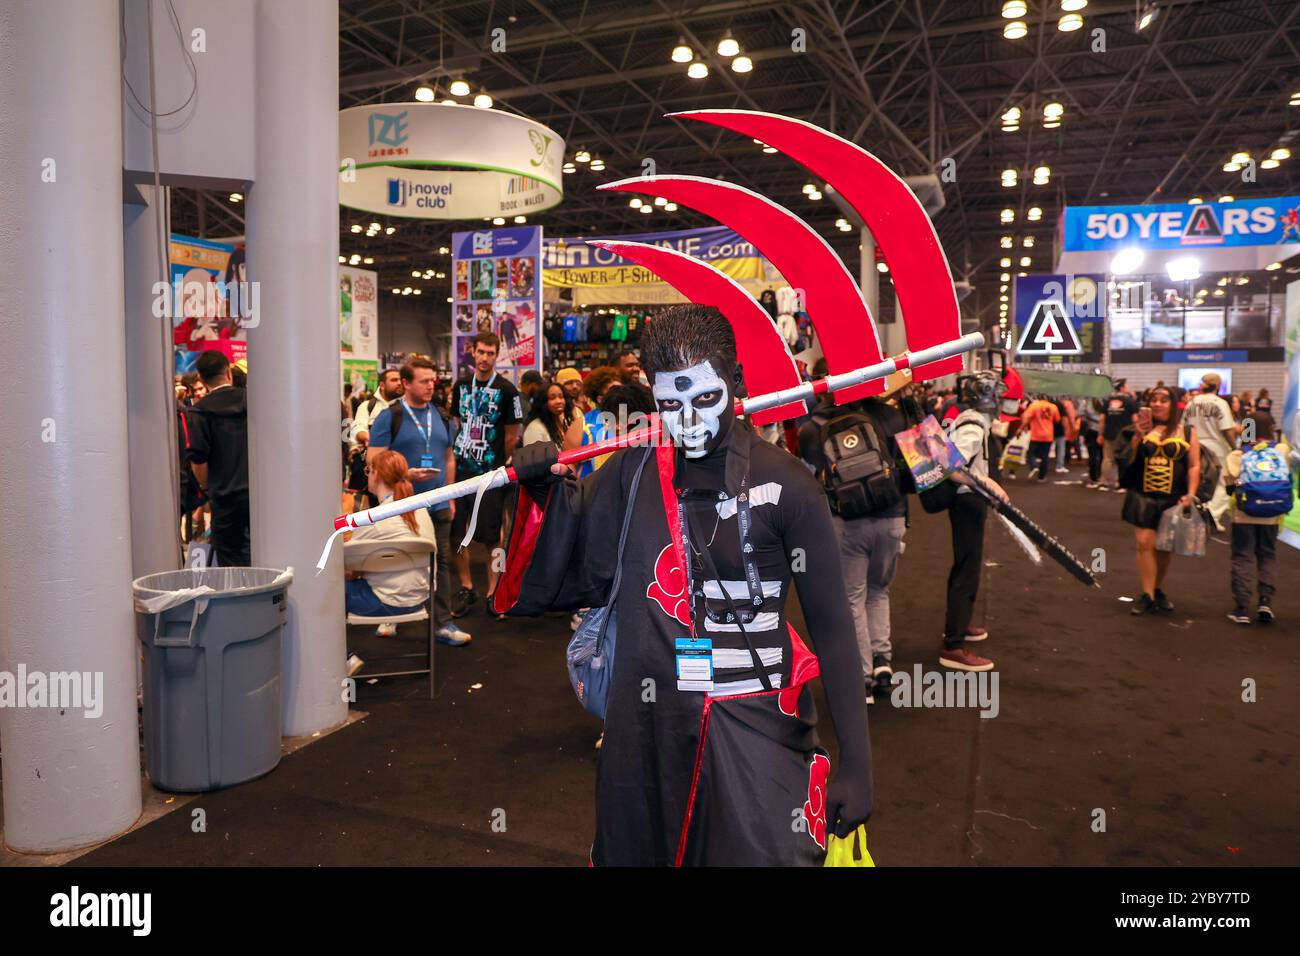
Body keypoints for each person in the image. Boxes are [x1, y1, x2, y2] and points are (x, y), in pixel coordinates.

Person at [503, 304, 872, 866]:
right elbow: (575, 562)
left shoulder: (788, 486)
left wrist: (859, 764)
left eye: (704, 399)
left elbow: (834, 631)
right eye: (670, 404)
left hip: (757, 723)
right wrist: (541, 491)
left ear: (738, 383)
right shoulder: (632, 473)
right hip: (651, 724)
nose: (689, 422)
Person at [797, 383, 910, 703]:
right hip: (892, 518)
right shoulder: (890, 415)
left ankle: (861, 678)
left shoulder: (813, 428)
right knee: (879, 590)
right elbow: (919, 466)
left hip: (846, 522)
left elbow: (810, 481)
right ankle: (882, 662)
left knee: (853, 598)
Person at [368, 356, 470, 646]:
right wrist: (406, 474)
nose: (430, 386)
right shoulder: (390, 415)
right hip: (401, 505)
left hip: (437, 503)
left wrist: (449, 494)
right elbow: (375, 459)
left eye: (432, 380)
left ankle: (442, 623)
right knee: (393, 559)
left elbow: (449, 457)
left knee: (440, 562)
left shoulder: (440, 415)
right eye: (423, 381)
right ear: (406, 383)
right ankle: (390, 614)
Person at [940, 373, 1011, 672]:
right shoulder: (973, 423)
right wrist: (987, 482)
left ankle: (959, 625)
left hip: (968, 499)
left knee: (967, 565)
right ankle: (953, 645)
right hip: (966, 500)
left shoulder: (973, 420)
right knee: (967, 568)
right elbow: (948, 463)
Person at [449, 332, 523, 617]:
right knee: (457, 535)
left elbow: (512, 434)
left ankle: (495, 590)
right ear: (473, 353)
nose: (484, 358)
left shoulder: (507, 390)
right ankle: (467, 586)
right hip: (461, 471)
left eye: (490, 353)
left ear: (497, 355)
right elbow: (457, 419)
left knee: (493, 537)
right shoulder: (461, 385)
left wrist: (493, 461)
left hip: (490, 474)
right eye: (480, 352)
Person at [345, 450, 438, 651]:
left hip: (386, 602)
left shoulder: (373, 519)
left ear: (376, 474)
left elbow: (349, 569)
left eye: (368, 470)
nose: (367, 475)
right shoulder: (421, 510)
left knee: (325, 588)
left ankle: (342, 658)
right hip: (420, 598)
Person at [1121, 385, 1201, 616]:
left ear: (1173, 403)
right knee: (1145, 542)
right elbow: (1130, 460)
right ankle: (1147, 594)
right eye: (1153, 399)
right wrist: (1137, 436)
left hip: (1173, 497)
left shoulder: (1186, 431)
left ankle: (1157, 589)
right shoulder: (1142, 429)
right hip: (1143, 495)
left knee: (1164, 547)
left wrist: (1191, 493)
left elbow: (1194, 465)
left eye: (1163, 400)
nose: (1157, 403)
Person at [186, 350, 250, 567]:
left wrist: (208, 488)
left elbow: (198, 460)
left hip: (224, 498)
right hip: (259, 494)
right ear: (228, 373)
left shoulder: (199, 412)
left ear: (202, 379)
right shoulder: (253, 401)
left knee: (230, 561)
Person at [1224, 433, 1292, 624]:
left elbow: (1229, 485)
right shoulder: (1281, 450)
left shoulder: (1238, 454)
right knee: (1267, 554)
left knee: (1243, 556)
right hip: (1272, 514)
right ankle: (1265, 602)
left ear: (1248, 429)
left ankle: (1242, 608)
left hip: (1244, 514)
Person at [1184, 373, 1239, 531]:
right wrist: (1235, 449)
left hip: (1195, 446)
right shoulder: (1220, 403)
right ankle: (1211, 515)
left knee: (1199, 483)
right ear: (1218, 385)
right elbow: (1227, 430)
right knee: (1223, 484)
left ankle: (1196, 514)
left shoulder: (1191, 403)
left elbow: (1184, 425)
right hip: (1217, 448)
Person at [1099, 379, 1138, 491]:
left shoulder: (1107, 402)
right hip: (1125, 436)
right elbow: (1135, 419)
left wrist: (1100, 434)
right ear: (1122, 388)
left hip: (1109, 434)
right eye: (1126, 386)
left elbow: (1102, 419)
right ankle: (1121, 484)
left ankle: (1104, 483)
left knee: (1108, 459)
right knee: (1124, 459)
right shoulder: (1130, 402)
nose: (1128, 388)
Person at [523, 381, 584, 451]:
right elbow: (535, 460)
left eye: (561, 397)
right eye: (552, 398)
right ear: (543, 402)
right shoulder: (534, 429)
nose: (558, 401)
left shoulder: (567, 423)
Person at [1020, 394, 1060, 481]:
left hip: (1036, 435)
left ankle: (1034, 466)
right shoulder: (1053, 407)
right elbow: (1057, 419)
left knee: (1031, 453)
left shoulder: (1034, 406)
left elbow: (1025, 416)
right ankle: (1042, 476)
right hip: (1048, 435)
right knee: (1045, 456)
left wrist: (1022, 427)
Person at [1080, 398, 1103, 487]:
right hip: (1103, 430)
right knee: (1102, 454)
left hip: (1090, 430)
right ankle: (1100, 475)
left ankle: (1093, 477)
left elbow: (1080, 414)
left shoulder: (1086, 401)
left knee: (1092, 454)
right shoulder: (1106, 400)